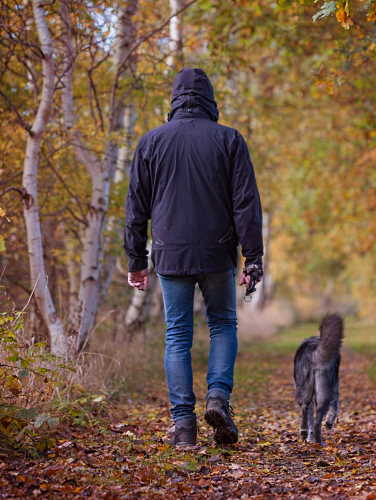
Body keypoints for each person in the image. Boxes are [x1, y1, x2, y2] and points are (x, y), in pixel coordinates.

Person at [123, 68, 263, 447]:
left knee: (177, 336)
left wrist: (136, 259)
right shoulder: (229, 140)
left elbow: (136, 206)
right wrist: (253, 257)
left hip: (170, 254)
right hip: (218, 252)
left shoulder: (151, 142)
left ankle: (184, 426)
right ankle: (218, 397)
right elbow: (245, 204)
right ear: (210, 99)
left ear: (174, 99)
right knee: (222, 325)